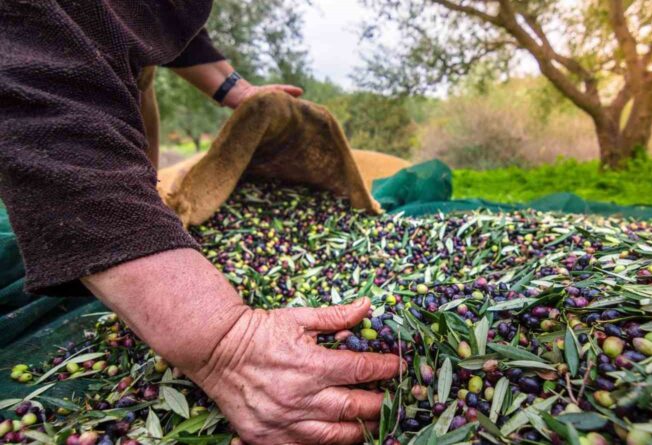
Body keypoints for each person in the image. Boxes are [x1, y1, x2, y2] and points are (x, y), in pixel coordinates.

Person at [0, 2, 402, 444]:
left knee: (137, 141)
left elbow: (154, 11)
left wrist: (236, 90)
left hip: (103, 69)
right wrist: (224, 342)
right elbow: (42, 97)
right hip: (42, 81)